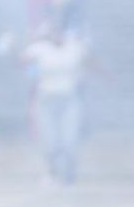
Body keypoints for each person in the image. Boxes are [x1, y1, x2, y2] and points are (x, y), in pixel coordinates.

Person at [22, 19, 89, 185]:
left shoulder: (74, 48)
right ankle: (52, 171)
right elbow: (21, 61)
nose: (56, 35)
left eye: (59, 31)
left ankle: (69, 171)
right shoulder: (39, 49)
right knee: (49, 139)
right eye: (52, 32)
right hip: (46, 100)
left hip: (69, 100)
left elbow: (90, 62)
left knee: (69, 139)